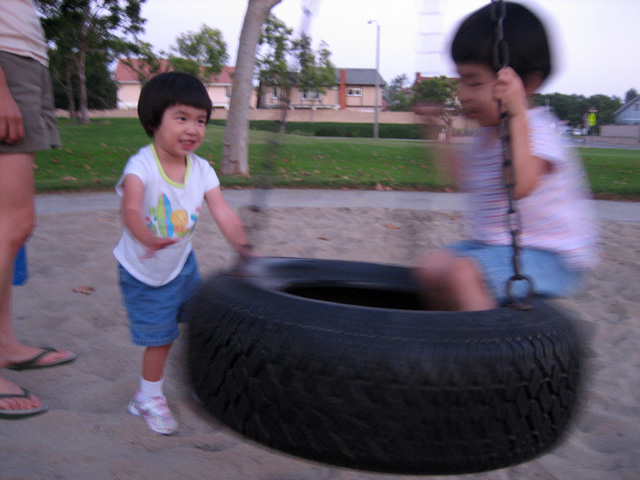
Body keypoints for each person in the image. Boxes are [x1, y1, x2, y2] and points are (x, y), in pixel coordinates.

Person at [414, 2, 598, 311]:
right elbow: (461, 178)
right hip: (494, 247)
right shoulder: (485, 136)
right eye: (460, 80)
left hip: (552, 255)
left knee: (461, 274)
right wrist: (437, 132)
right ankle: (450, 337)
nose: (462, 93)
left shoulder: (538, 130)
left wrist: (516, 115)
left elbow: (521, 184)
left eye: (473, 82)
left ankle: (488, 352)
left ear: (526, 85)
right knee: (430, 268)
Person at [114, 71, 254, 435]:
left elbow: (222, 211)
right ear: (153, 120)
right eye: (181, 118)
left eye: (201, 120)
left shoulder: (202, 169)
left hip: (181, 264)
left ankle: (196, 382)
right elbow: (130, 209)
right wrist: (146, 236)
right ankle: (147, 397)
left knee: (199, 321)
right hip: (144, 270)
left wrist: (244, 249)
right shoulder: (141, 166)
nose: (192, 129)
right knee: (160, 337)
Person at [0, 0, 76, 420]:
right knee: (11, 225)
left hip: (26, 62)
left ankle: (5, 344)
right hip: (5, 63)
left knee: (12, 226)